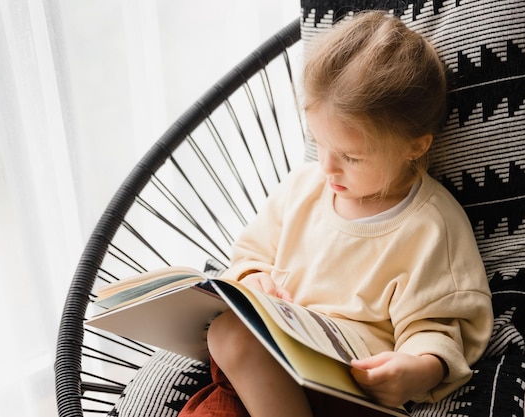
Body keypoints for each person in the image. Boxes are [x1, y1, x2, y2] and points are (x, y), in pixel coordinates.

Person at [178, 11, 493, 417]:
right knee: (226, 348)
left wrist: (417, 369)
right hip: (258, 376)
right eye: (318, 143)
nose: (327, 167)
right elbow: (250, 256)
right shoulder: (301, 190)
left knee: (232, 338)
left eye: (350, 156)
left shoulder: (430, 225)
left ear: (415, 147)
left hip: (346, 390)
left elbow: (438, 324)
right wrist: (254, 277)